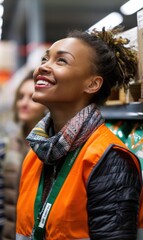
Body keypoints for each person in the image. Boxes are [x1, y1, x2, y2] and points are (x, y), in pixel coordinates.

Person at [16, 27, 143, 240]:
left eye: (61, 61)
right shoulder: (36, 151)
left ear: (92, 83)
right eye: (45, 59)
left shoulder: (109, 159)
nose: (44, 67)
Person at [2, 70, 47, 240]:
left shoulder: (51, 149)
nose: (24, 103)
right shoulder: (11, 144)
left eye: (32, 97)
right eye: (20, 97)